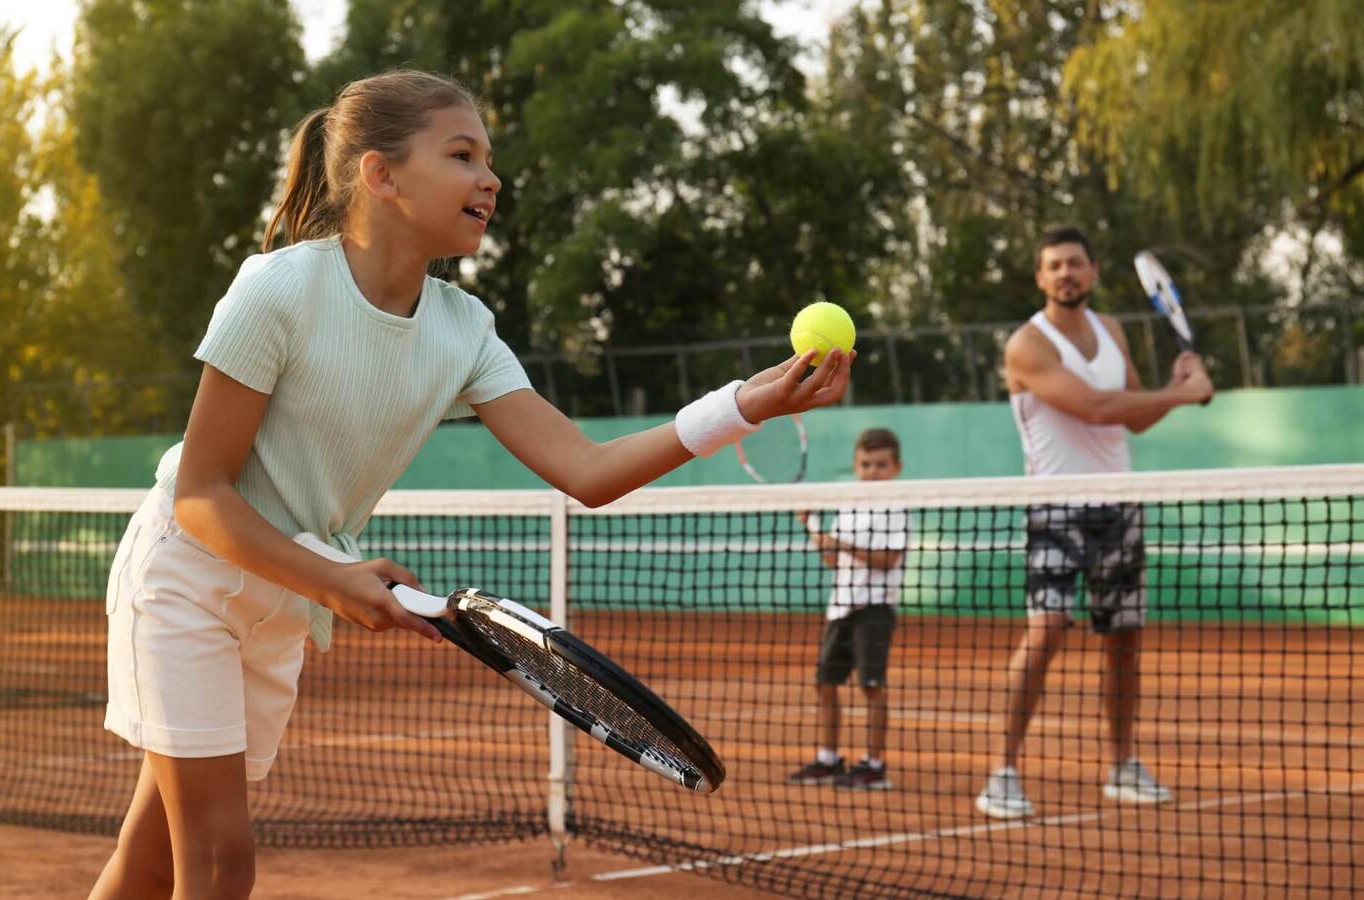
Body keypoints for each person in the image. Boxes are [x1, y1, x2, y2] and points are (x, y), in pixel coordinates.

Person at [88, 70, 854, 900]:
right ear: (380, 175)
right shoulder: (276, 290)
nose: (490, 178)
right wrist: (336, 580)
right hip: (190, 575)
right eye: (462, 154)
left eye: (489, 159)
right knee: (218, 861)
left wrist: (745, 406)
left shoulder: (466, 331)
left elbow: (587, 472)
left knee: (156, 849)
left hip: (284, 600)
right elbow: (203, 493)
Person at [974, 226, 1214, 820]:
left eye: (1075, 264)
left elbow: (1133, 419)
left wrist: (1176, 388)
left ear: (1093, 270)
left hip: (1121, 502)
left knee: (1125, 641)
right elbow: (1095, 407)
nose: (1065, 274)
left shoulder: (1112, 330)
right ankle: (1003, 772)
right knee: (1048, 627)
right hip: (1056, 503)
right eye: (1054, 266)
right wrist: (1187, 395)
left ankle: (1123, 765)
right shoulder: (1028, 344)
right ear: (1040, 277)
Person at [787, 428, 907, 791]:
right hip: (840, 608)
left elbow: (887, 560)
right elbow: (831, 560)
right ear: (856, 465)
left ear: (896, 467)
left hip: (875, 609)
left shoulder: (898, 506)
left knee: (871, 686)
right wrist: (811, 525)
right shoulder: (848, 503)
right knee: (825, 684)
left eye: (881, 465)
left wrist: (841, 542)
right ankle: (829, 759)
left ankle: (874, 765)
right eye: (866, 464)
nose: (872, 471)